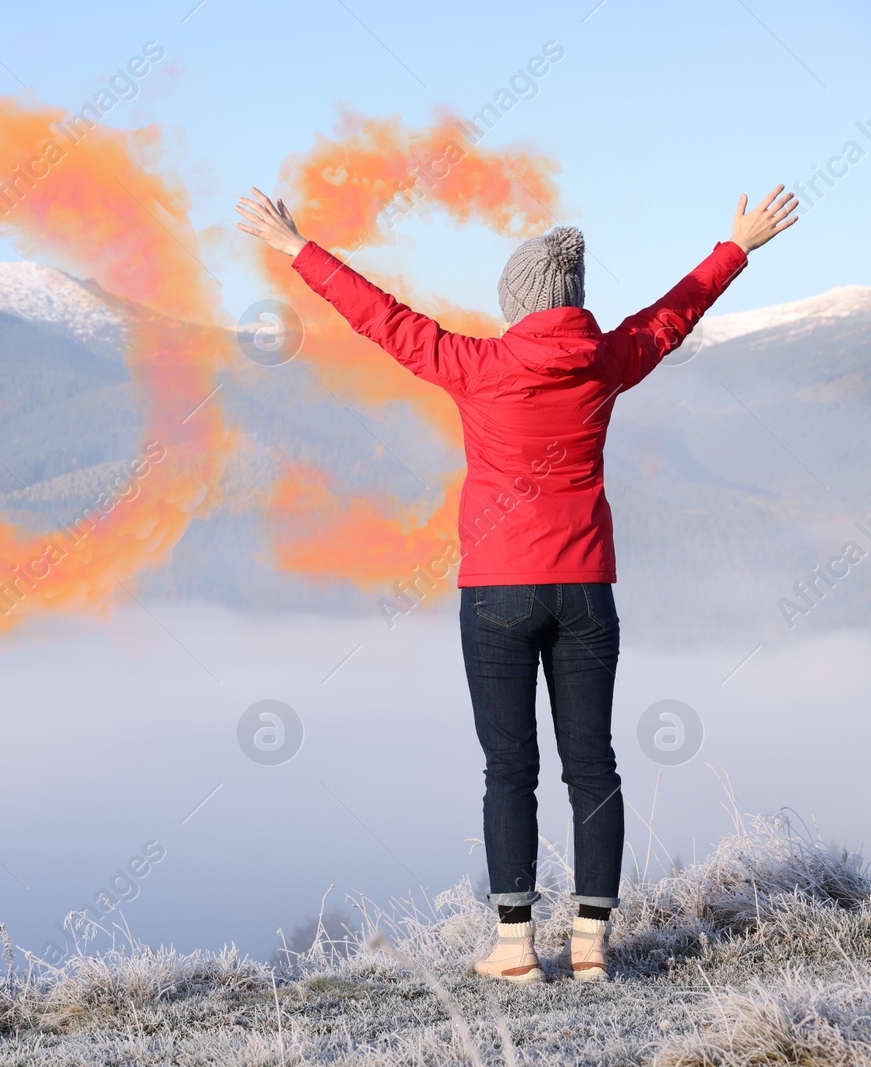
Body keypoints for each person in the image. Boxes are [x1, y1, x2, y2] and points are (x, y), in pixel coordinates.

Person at [236, 184, 798, 982]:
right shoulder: (607, 359)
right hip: (586, 592)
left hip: (496, 595)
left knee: (510, 768)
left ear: (515, 305)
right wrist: (737, 245)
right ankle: (593, 947)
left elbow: (382, 318)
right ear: (572, 302)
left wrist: (298, 249)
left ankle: (512, 949)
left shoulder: (475, 364)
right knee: (593, 765)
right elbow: (675, 313)